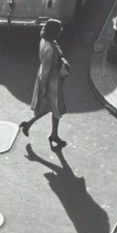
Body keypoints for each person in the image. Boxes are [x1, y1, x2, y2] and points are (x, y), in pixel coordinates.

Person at [19, 18, 69, 149]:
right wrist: (43, 89)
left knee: (51, 107)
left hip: (49, 79)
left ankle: (34, 126)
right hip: (52, 81)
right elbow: (46, 71)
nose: (61, 31)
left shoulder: (45, 41)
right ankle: (53, 134)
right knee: (55, 107)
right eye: (59, 30)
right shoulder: (50, 49)